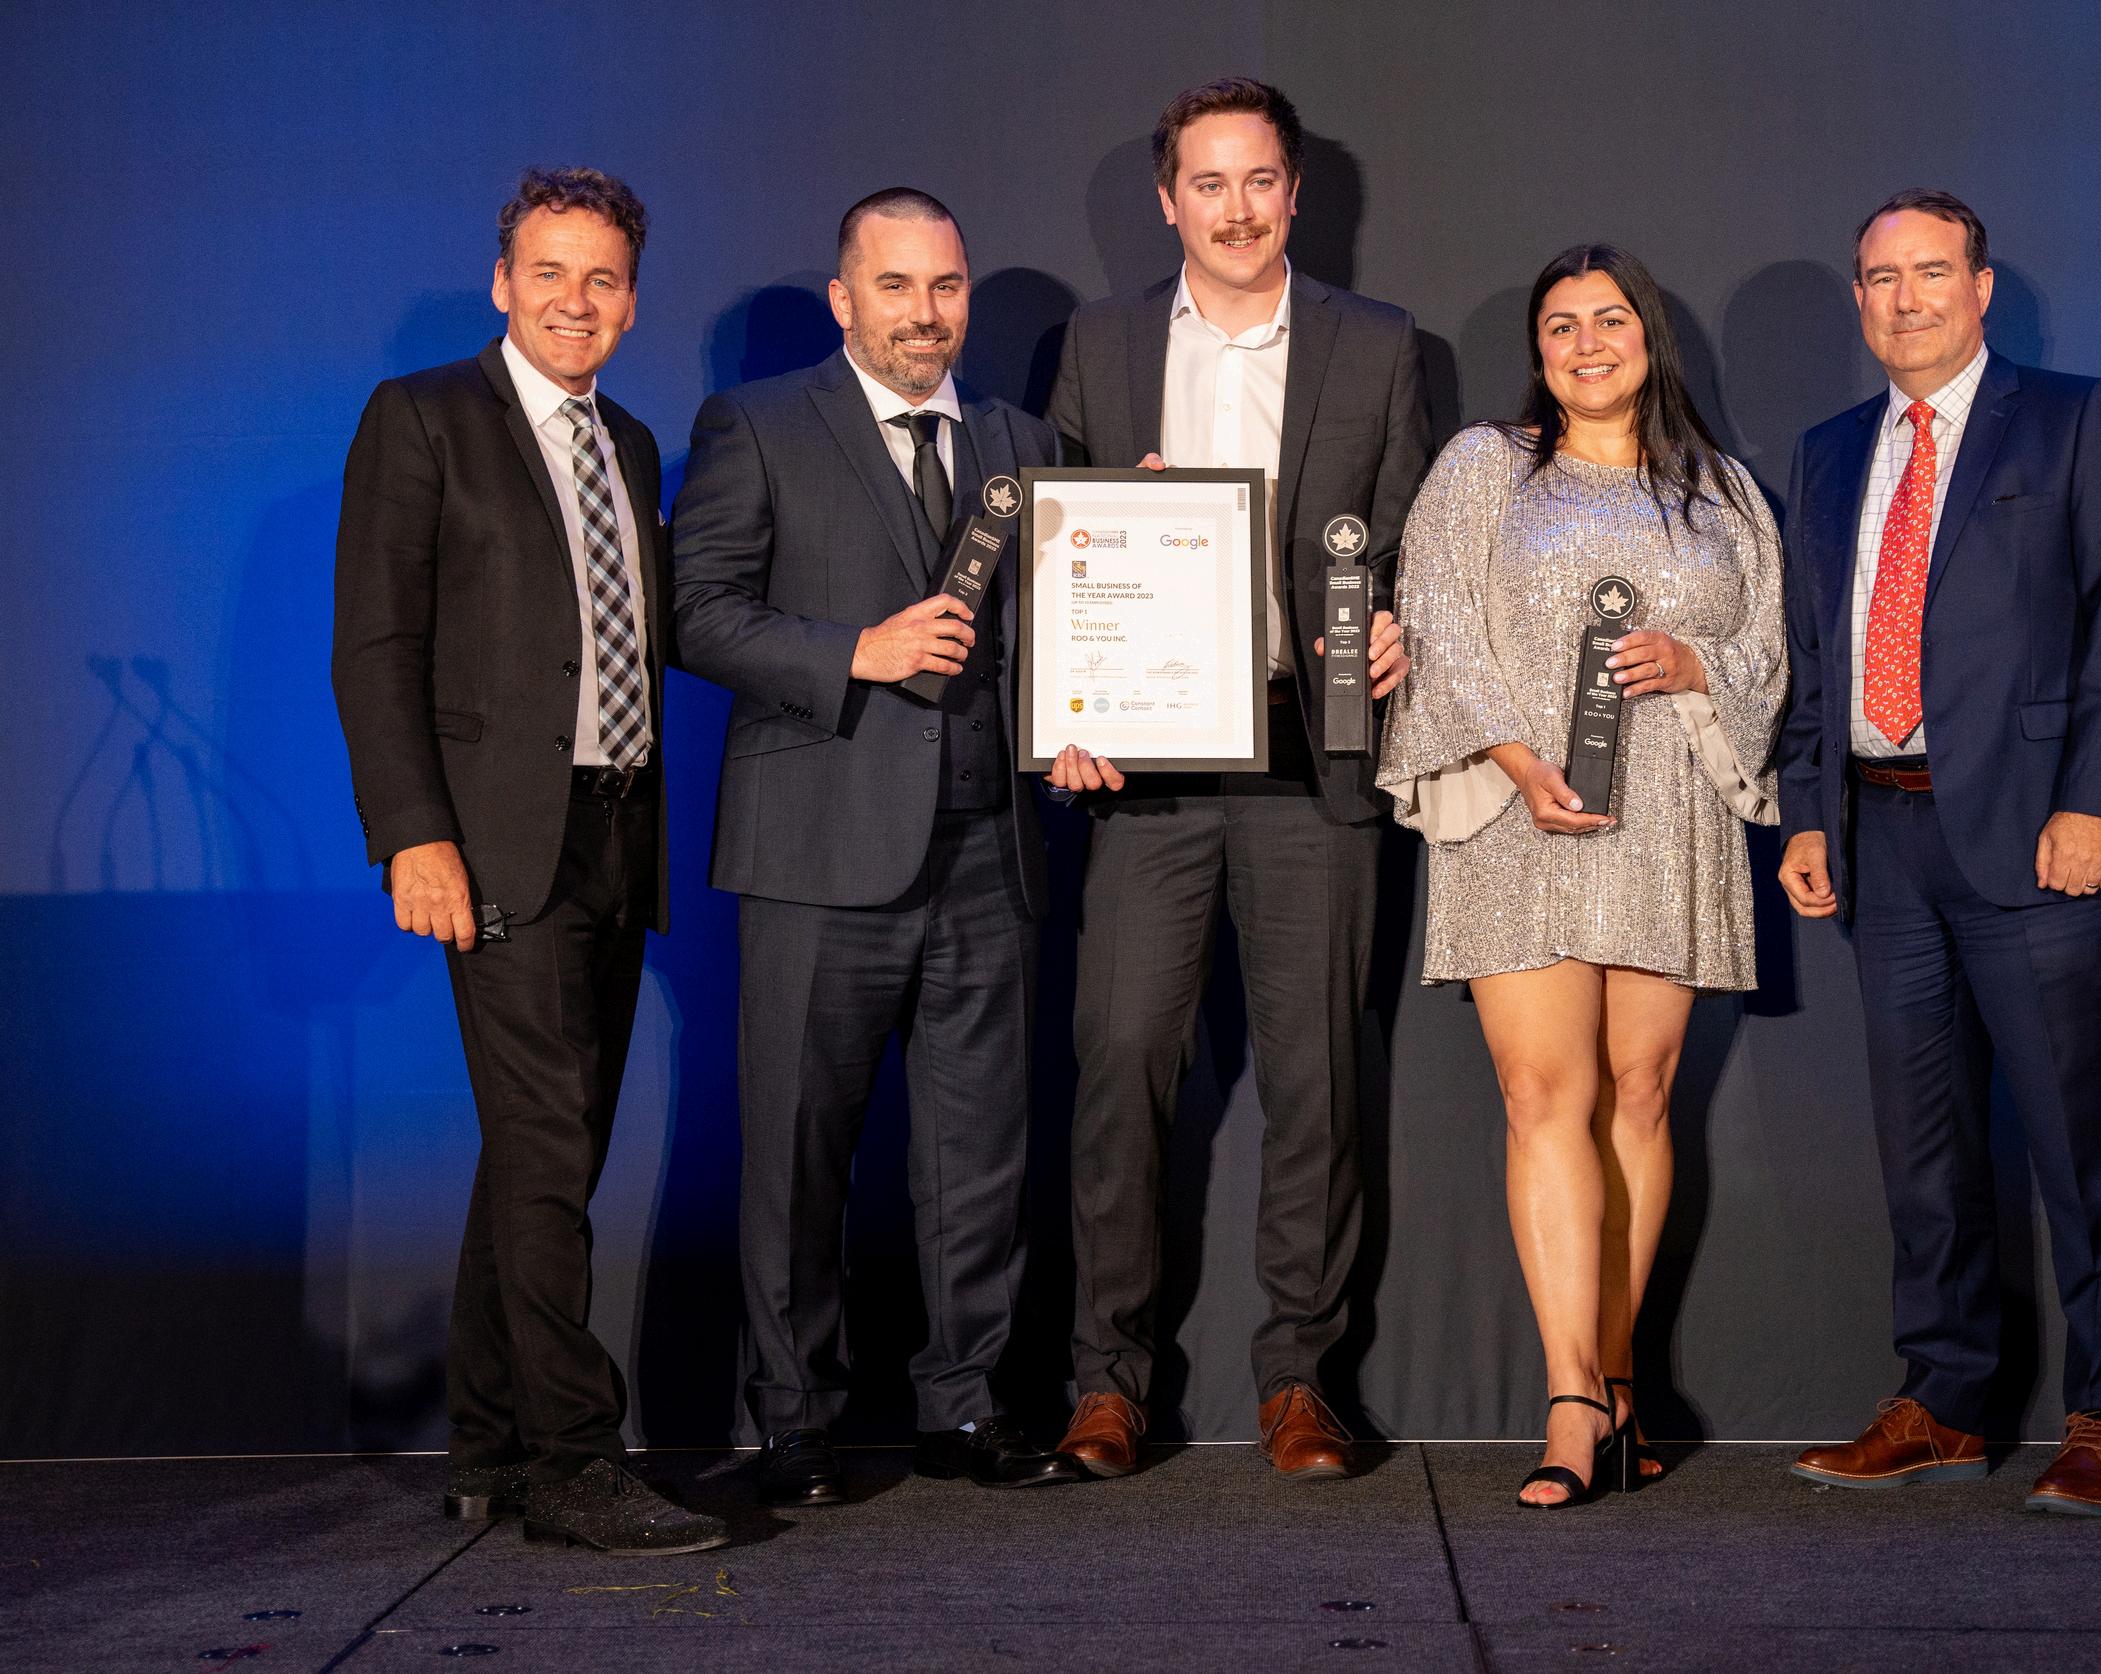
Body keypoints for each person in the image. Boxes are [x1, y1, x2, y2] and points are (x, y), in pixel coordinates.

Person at [1042, 76, 1431, 1480]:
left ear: (1295, 191)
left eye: (1260, 179)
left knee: (1317, 1080)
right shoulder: (1096, 344)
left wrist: (1404, 626)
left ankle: (1300, 1379)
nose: (1237, 208)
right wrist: (1065, 705)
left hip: (1312, 759)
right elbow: (1052, 556)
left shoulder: (1378, 345)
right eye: (1208, 183)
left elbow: (1410, 537)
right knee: (1120, 1066)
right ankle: (1107, 1381)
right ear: (1169, 201)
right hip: (1144, 769)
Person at [331, 167, 724, 1554]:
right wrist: (414, 834)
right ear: (503, 282)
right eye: (549, 272)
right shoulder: (423, 417)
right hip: (493, 835)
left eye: (602, 278)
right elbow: (375, 646)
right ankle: (573, 1461)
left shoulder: (631, 441)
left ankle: (488, 1442)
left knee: (543, 1149)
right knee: (551, 1147)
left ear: (632, 300)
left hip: (617, 830)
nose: (576, 300)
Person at [671, 189, 1073, 1500]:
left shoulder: (1021, 441)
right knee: (796, 1151)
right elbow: (696, 611)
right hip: (815, 847)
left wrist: (1093, 709)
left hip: (987, 849)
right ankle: (796, 1419)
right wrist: (857, 650)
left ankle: (965, 1407)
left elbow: (1061, 636)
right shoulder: (757, 423)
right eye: (895, 286)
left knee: (980, 1153)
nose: (924, 312)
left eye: (945, 286)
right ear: (845, 299)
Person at [1775, 189, 2101, 1515]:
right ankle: (1943, 1401)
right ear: (1859, 298)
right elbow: (1815, 653)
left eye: (1931, 271)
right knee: (1924, 1152)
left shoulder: (2074, 418)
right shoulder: (1831, 451)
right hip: (1882, 840)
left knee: (2080, 1143)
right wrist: (1808, 809)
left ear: (1981, 287)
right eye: (1880, 277)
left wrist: (2097, 803)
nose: (1906, 298)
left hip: (2040, 838)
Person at [1378, 244, 1785, 1507]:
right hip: (1523, 813)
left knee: (1642, 1094)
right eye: (1561, 325)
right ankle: (1567, 1399)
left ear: (1650, 338)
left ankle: (1615, 1380)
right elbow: (1435, 618)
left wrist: (1698, 662)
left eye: (1611, 319)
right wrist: (1513, 752)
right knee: (1540, 1090)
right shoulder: (1485, 466)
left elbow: (1770, 649)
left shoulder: (1723, 489)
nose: (1587, 342)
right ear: (1539, 352)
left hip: (1670, 812)